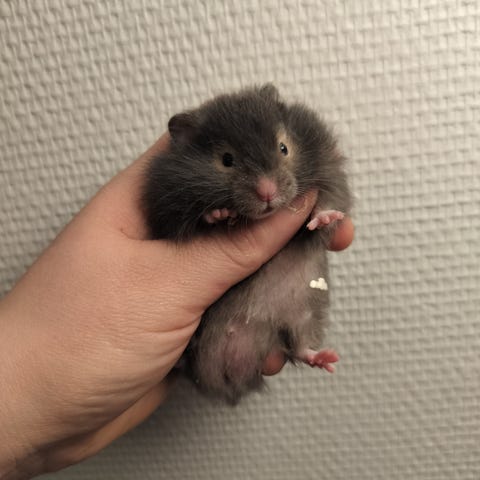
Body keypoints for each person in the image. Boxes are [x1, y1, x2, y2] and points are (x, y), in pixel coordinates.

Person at [0, 133, 354, 479]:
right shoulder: (174, 185)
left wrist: (28, 443)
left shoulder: (311, 155)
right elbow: (170, 217)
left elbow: (331, 179)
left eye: (281, 148)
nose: (266, 189)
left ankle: (301, 346)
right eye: (228, 161)